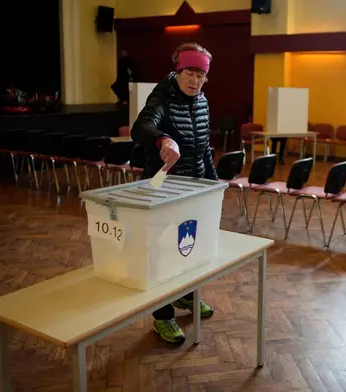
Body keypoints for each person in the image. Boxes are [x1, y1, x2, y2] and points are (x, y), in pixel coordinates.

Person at [130, 42, 218, 344]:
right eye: (189, 73)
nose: (195, 81)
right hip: (164, 190)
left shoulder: (203, 101)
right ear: (177, 71)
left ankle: (186, 297)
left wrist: (213, 184)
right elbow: (140, 128)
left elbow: (204, 148)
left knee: (190, 247)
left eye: (200, 75)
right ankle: (162, 316)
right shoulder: (161, 97)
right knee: (163, 253)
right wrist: (163, 140)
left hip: (193, 189)